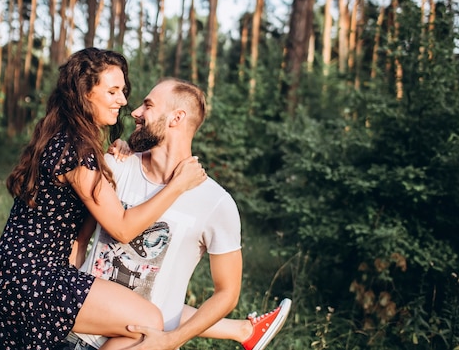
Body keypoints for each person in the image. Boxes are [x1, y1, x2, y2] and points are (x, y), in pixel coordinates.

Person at [0, 48, 207, 350]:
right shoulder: (75, 150)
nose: (124, 101)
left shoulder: (69, 139)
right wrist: (177, 185)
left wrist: (118, 153)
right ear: (85, 93)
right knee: (147, 322)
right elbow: (123, 229)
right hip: (31, 277)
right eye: (113, 91)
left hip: (18, 273)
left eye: (123, 91)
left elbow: (82, 226)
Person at [64, 78, 291, 350]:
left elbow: (228, 294)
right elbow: (79, 237)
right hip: (72, 335)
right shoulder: (117, 165)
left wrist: (170, 341)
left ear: (176, 118)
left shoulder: (216, 203)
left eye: (147, 105)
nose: (135, 111)